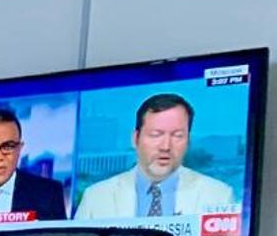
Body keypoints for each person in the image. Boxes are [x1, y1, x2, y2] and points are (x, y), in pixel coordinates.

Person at [75, 93, 235, 220]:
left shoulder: (218, 195)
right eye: (156, 135)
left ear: (188, 141)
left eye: (177, 136)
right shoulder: (96, 198)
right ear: (135, 139)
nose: (166, 146)